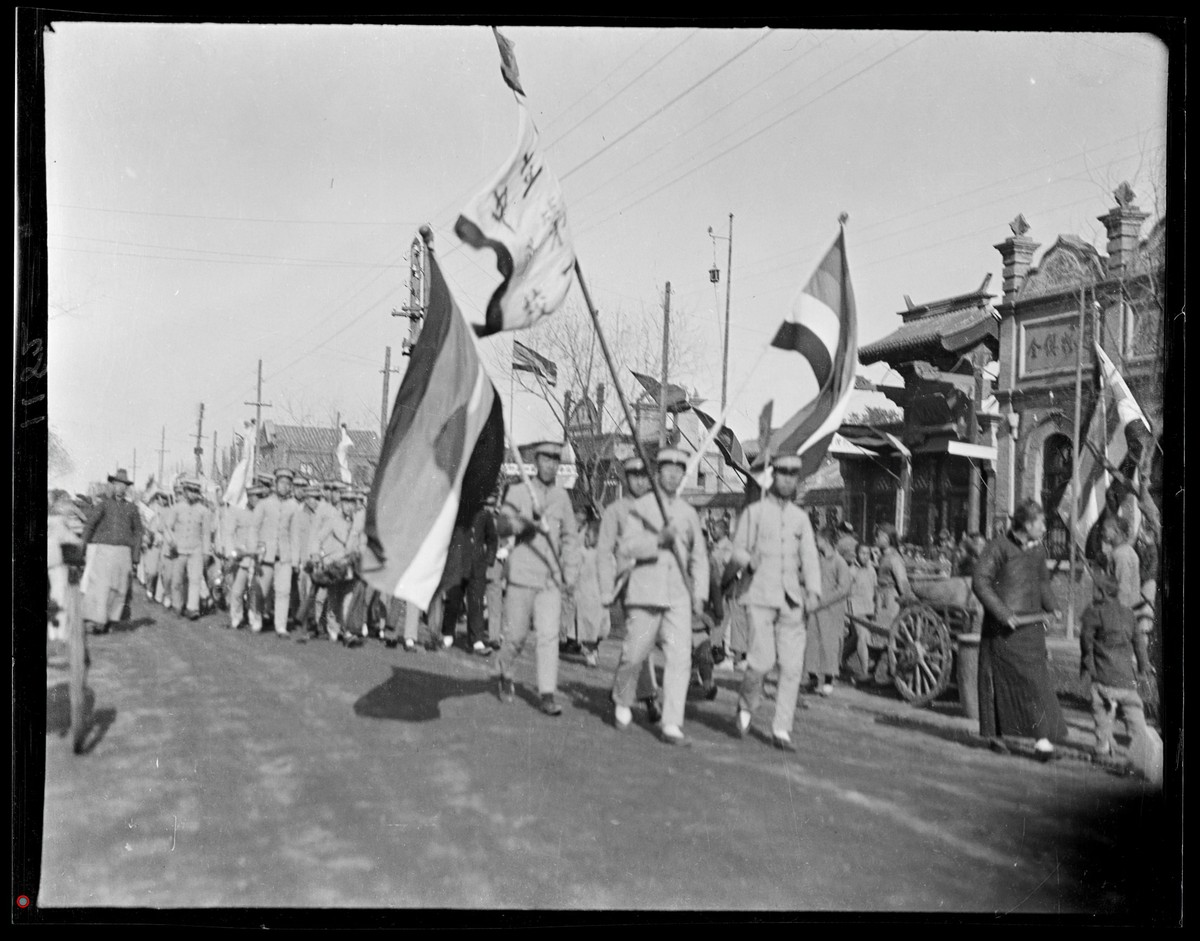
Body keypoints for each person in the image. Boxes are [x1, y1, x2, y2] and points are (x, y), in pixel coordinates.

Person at [610, 446, 709, 746]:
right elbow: (626, 548)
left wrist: (700, 594)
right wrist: (657, 541)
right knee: (634, 655)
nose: (672, 474)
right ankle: (623, 699)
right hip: (644, 592)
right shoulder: (642, 508)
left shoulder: (688, 513)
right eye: (666, 469)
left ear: (682, 476)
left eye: (678, 470)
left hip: (678, 595)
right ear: (658, 473)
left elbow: (700, 557)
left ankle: (671, 723)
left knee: (681, 659)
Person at [728, 454, 822, 751]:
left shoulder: (801, 519)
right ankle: (746, 704)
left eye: (793, 475)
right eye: (782, 473)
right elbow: (737, 551)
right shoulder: (754, 513)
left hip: (791, 600)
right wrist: (748, 561)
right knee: (762, 662)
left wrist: (814, 591)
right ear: (773, 476)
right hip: (760, 596)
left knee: (792, 668)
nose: (787, 479)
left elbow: (809, 558)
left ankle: (781, 728)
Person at [972, 499, 1069, 759]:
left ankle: (1043, 743)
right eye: (1041, 522)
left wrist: (1054, 606)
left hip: (1031, 631)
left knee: (1037, 684)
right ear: (1027, 524)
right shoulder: (998, 546)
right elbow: (980, 581)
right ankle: (995, 737)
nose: (1045, 527)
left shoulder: (1038, 551)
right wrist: (1003, 614)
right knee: (998, 683)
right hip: (1003, 632)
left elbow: (1042, 583)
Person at [494, 442, 581, 717]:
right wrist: (526, 523)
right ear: (535, 463)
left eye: (556, 461)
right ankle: (504, 671)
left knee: (548, 637)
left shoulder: (562, 498)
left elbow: (570, 537)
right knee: (517, 636)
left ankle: (547, 693)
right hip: (521, 576)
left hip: (550, 580)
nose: (551, 465)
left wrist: (570, 572)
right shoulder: (519, 492)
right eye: (546, 460)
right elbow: (501, 525)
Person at [596, 456, 662, 723]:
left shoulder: (660, 508)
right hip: (629, 584)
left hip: (656, 583)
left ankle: (642, 694)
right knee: (639, 638)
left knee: (644, 642)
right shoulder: (615, 511)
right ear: (625, 478)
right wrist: (605, 586)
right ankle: (644, 697)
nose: (640, 480)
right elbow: (603, 552)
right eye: (634, 475)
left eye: (645, 476)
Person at [1079, 569, 1150, 760]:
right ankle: (1143, 748)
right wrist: (1143, 669)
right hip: (1127, 680)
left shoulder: (1094, 613)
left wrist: (1088, 666)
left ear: (1101, 593)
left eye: (1095, 589)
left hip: (1103, 677)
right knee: (1134, 712)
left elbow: (1086, 643)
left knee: (1100, 709)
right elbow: (1139, 644)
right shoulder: (1129, 614)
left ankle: (1103, 747)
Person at [79, 469, 144, 634]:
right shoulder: (104, 505)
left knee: (120, 589)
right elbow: (90, 525)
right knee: (102, 586)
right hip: (105, 551)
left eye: (124, 485)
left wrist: (135, 556)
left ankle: (111, 619)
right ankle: (98, 621)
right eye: (117, 484)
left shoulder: (132, 508)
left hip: (124, 553)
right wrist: (82, 545)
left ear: (127, 488)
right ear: (113, 485)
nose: (120, 488)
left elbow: (138, 532)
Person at [441, 502, 499, 656]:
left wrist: (489, 559)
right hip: (458, 564)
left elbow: (492, 538)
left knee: (476, 603)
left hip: (477, 567)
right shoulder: (456, 511)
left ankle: (476, 639)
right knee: (453, 602)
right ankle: (448, 633)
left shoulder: (484, 514)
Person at [314, 489, 366, 647]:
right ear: (341, 504)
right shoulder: (333, 521)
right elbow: (318, 538)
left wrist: (360, 554)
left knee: (348, 598)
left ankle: (347, 629)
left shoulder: (358, 524)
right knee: (334, 597)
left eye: (352, 504)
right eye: (346, 503)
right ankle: (333, 627)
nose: (349, 507)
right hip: (335, 565)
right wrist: (316, 554)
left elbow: (363, 542)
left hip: (351, 566)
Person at [252, 467, 299, 638]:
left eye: (288, 483)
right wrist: (255, 550)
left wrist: (295, 561)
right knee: (261, 591)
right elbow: (254, 528)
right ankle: (257, 617)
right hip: (265, 556)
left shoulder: (294, 507)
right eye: (282, 482)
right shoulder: (264, 504)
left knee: (283, 591)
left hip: (284, 557)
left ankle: (281, 626)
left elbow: (294, 535)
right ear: (276, 483)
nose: (284, 486)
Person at [805, 527, 852, 696]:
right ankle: (812, 678)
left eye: (818, 539)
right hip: (815, 609)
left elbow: (844, 589)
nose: (816, 542)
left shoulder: (840, 562)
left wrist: (823, 601)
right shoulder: (817, 560)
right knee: (812, 643)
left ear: (825, 540)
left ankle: (829, 681)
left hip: (831, 610)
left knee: (829, 645)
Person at [162, 478, 212, 621]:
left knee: (195, 579)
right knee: (177, 580)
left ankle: (192, 608)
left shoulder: (204, 511)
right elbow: (167, 527)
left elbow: (206, 534)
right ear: (184, 491)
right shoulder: (177, 508)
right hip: (178, 550)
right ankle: (177, 605)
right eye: (190, 491)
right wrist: (171, 541)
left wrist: (206, 552)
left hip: (196, 550)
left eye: (196, 491)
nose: (192, 494)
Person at [872, 522, 916, 684]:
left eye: (879, 536)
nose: (875, 538)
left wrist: (908, 600)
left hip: (891, 600)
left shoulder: (894, 558)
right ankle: (881, 672)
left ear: (887, 538)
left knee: (888, 635)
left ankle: (888, 673)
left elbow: (902, 582)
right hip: (882, 598)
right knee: (881, 635)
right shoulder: (885, 556)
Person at [574, 519, 607, 668]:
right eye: (585, 535)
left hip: (600, 595)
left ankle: (592, 648)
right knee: (588, 626)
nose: (586, 538)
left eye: (589, 536)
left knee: (602, 628)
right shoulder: (582, 552)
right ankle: (589, 652)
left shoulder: (604, 553)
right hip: (585, 594)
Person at [844, 541, 877, 683]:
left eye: (867, 553)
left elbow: (875, 590)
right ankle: (864, 672)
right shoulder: (851, 571)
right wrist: (846, 612)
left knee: (856, 638)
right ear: (857, 554)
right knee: (863, 636)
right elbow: (845, 592)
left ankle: (841, 659)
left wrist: (876, 607)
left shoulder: (872, 571)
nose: (865, 556)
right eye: (862, 553)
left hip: (868, 608)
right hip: (855, 609)